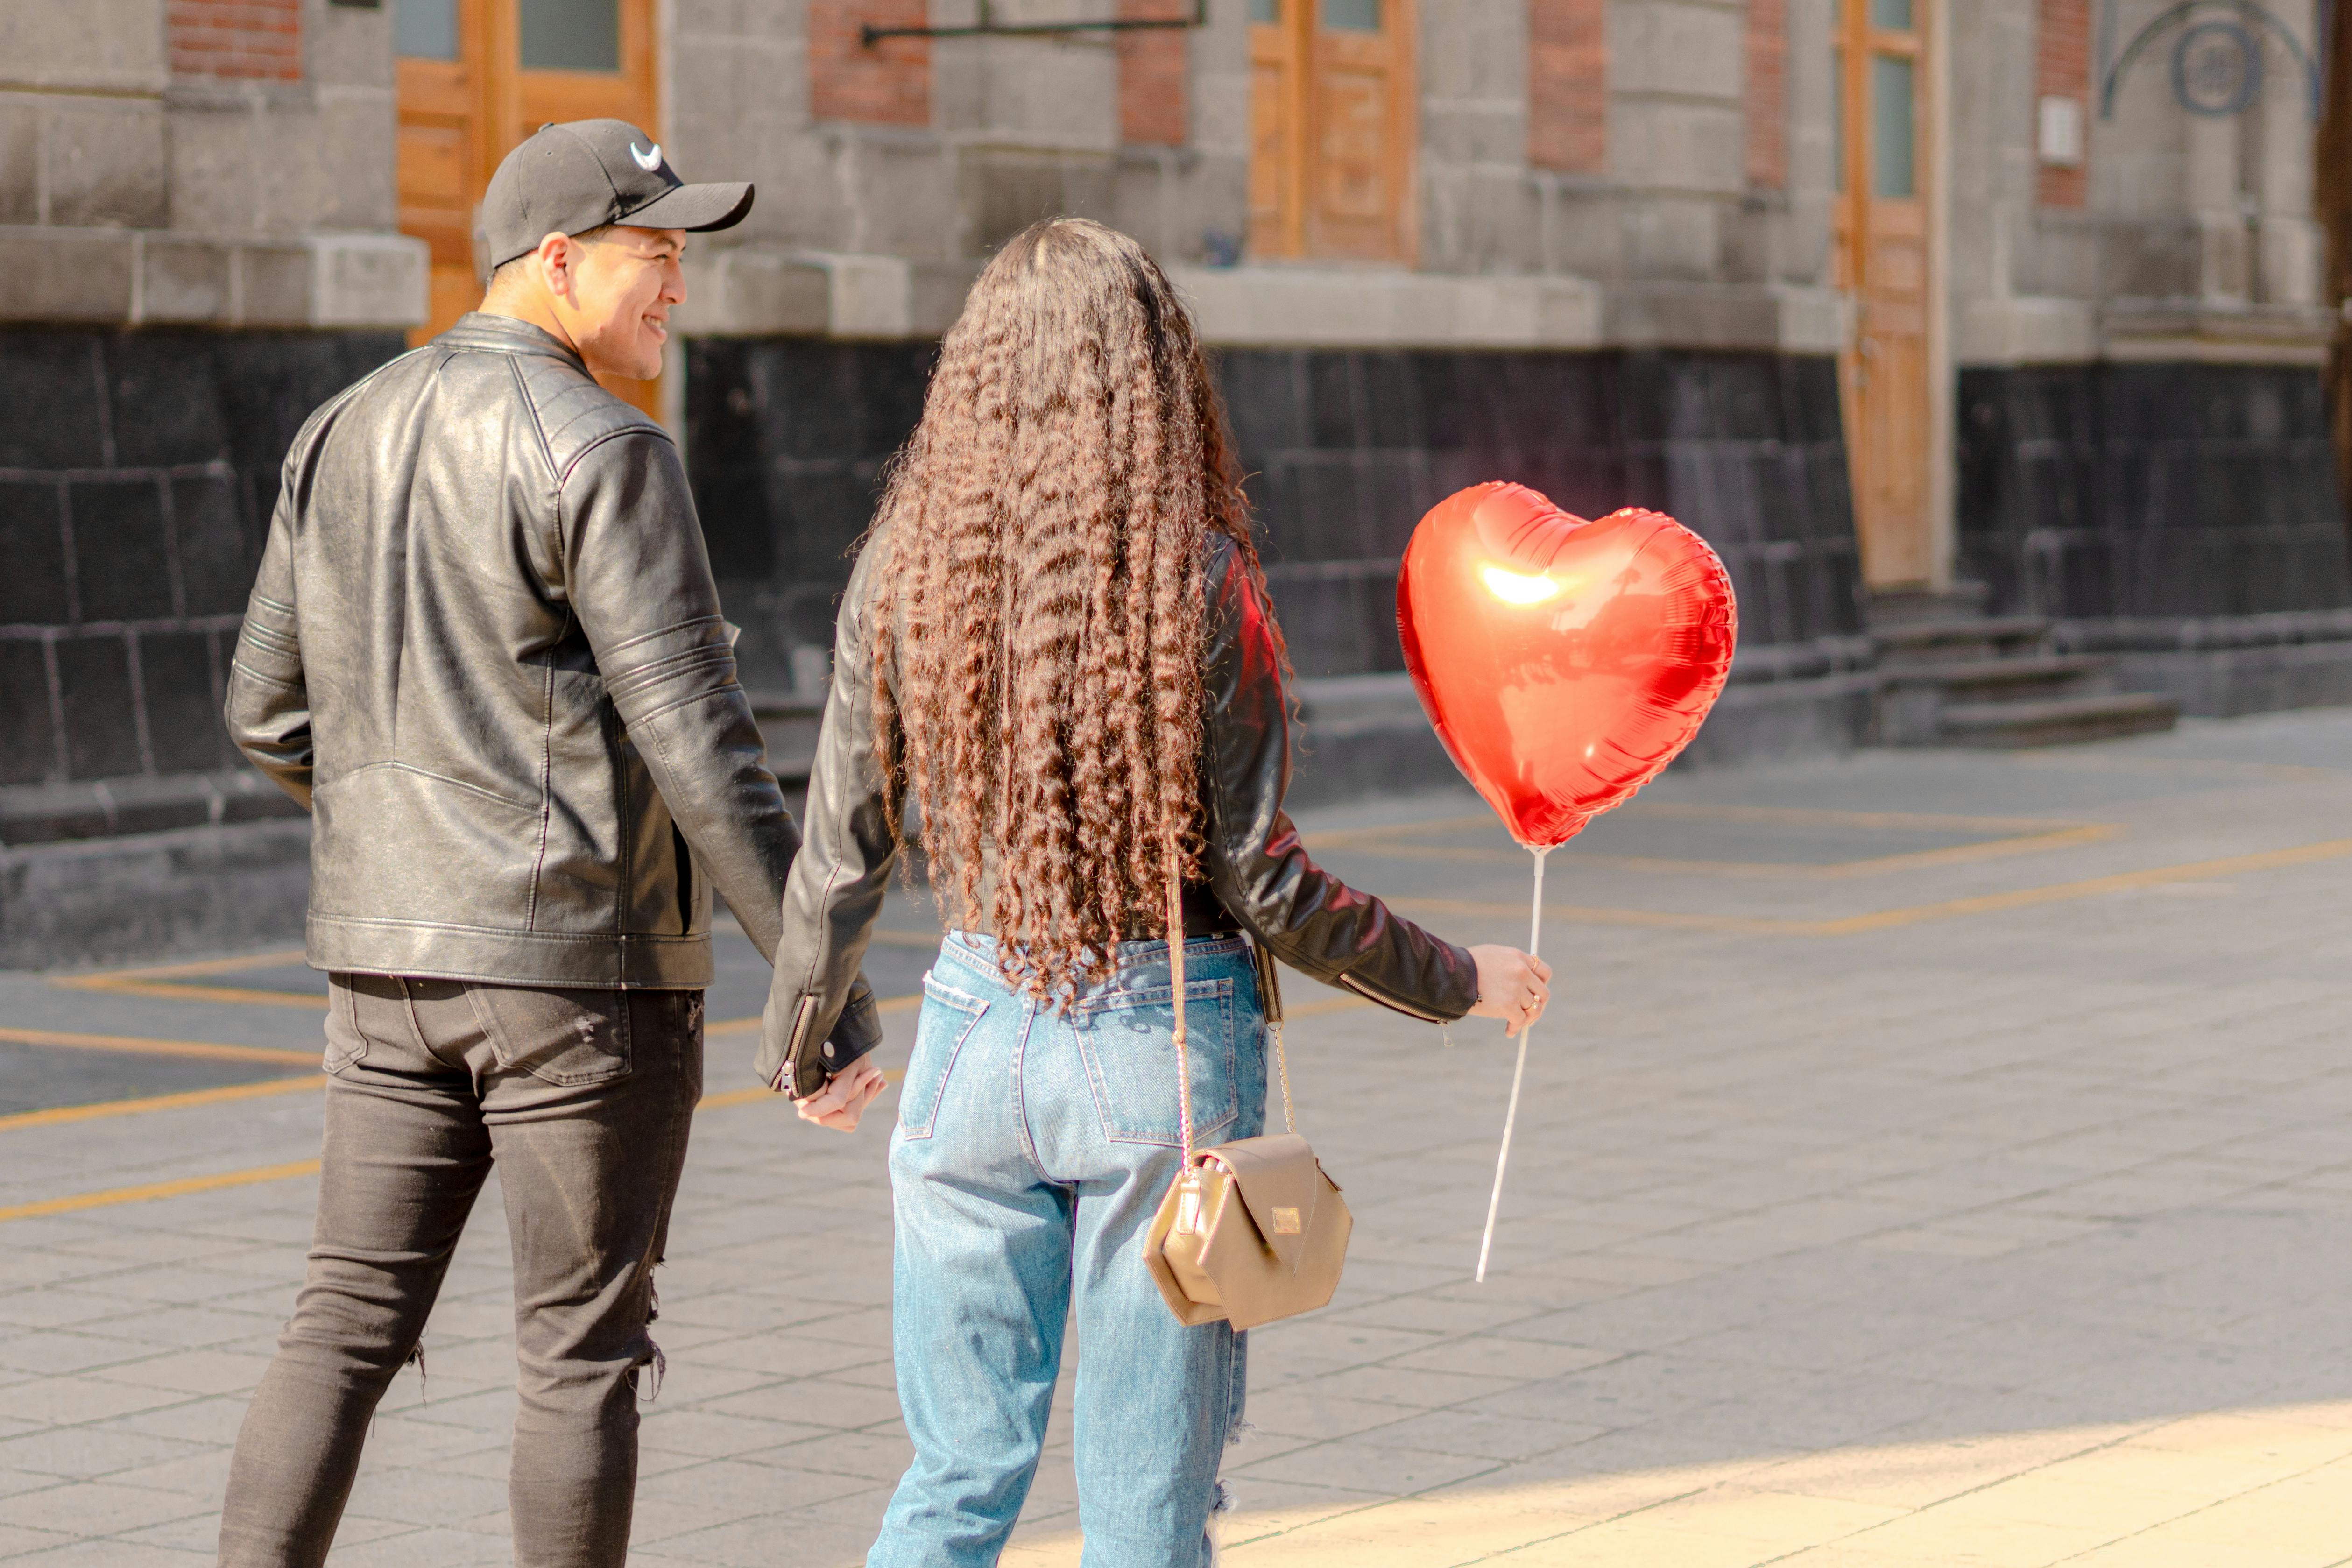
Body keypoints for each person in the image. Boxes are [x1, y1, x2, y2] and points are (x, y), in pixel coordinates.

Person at [757, 217, 1553, 1568]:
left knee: (955, 1477)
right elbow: (1263, 881)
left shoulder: (905, 567)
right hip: (1155, 1062)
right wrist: (1459, 979)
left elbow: (841, 845)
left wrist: (804, 1044)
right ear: (1155, 380)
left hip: (967, 1036)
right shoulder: (1195, 578)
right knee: (1143, 1504)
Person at [215, 119, 879, 1568]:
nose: (677, 289)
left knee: (342, 1322)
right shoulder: (607, 448)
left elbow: (265, 715)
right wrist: (823, 982)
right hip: (583, 984)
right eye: (655, 256)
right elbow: (701, 745)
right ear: (559, 261)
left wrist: (413, 834)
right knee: (580, 1354)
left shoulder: (338, 429)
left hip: (385, 967)